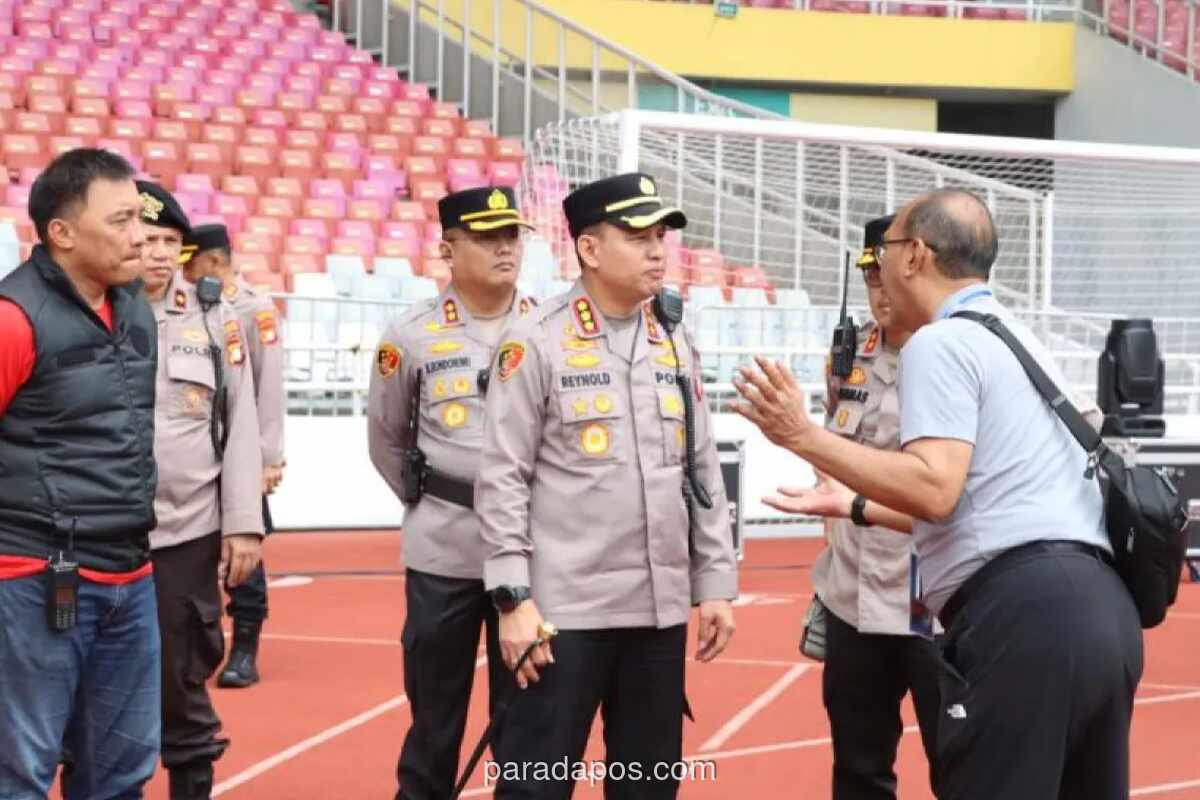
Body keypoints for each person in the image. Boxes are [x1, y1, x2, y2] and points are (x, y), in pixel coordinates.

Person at [733, 188, 1142, 800]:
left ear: (915, 255)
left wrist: (802, 436)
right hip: (1098, 608)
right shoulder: (1014, 335)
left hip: (1015, 613)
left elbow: (935, 486)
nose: (877, 270)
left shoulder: (940, 341)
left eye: (888, 249)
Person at [476, 172, 737, 799]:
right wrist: (512, 600)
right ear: (590, 250)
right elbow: (502, 477)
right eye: (638, 236)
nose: (657, 250)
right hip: (563, 614)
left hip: (656, 611)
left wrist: (716, 582)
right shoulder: (534, 342)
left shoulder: (672, 339)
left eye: (661, 237)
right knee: (535, 786)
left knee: (648, 788)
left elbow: (699, 466)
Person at [367, 186, 539, 800]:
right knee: (434, 721)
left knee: (525, 725)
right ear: (447, 248)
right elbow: (386, 441)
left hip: (530, 551)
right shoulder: (408, 336)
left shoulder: (549, 327)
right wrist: (437, 500)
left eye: (512, 236)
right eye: (488, 237)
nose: (504, 248)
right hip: (445, 549)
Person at [0, 148, 159, 798]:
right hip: (37, 576)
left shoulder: (134, 305)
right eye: (120, 220)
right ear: (61, 233)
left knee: (122, 773)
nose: (140, 235)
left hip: (131, 572)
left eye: (139, 218)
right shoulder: (14, 319)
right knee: (22, 774)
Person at [771, 215, 940, 799]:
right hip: (854, 597)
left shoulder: (955, 355)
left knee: (963, 763)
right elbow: (832, 445)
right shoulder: (850, 353)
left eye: (887, 277)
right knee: (858, 766)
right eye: (869, 279)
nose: (879, 293)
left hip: (932, 598)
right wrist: (828, 505)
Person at [140, 190, 265, 800]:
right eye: (147, 239)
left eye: (171, 243)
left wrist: (244, 522)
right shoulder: (94, 312)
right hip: (100, 534)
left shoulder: (213, 318)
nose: (159, 254)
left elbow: (240, 424)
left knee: (183, 677)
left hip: (185, 531)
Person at [180, 223, 286, 689]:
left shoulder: (253, 309)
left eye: (191, 259)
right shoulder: (189, 308)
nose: (183, 268)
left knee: (246, 551)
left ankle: (245, 647)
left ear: (215, 261)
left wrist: (267, 458)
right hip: (199, 447)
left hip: (239, 451)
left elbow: (268, 385)